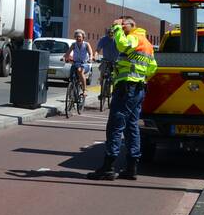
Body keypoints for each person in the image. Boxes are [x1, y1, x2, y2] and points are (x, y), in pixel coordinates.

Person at [87, 15, 158, 181]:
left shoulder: (134, 37)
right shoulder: (146, 42)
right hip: (138, 88)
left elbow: (122, 45)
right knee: (132, 127)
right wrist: (141, 77)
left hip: (127, 88)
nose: (118, 28)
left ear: (131, 25)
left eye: (122, 25)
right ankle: (132, 167)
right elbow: (153, 67)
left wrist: (118, 29)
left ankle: (108, 167)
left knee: (115, 125)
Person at [66, 29, 94, 100]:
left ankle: (84, 90)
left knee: (79, 70)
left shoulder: (86, 44)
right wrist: (65, 58)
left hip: (85, 64)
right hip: (76, 63)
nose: (78, 38)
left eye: (79, 37)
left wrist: (90, 58)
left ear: (83, 37)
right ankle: (72, 89)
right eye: (77, 37)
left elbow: (91, 53)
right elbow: (68, 53)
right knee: (71, 74)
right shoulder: (73, 45)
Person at [95, 26, 120, 107]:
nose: (110, 34)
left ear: (114, 33)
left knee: (117, 78)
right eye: (109, 33)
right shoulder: (103, 39)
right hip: (106, 60)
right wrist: (95, 56)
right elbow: (98, 50)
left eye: (112, 33)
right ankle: (102, 92)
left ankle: (115, 93)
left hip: (115, 61)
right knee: (102, 72)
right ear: (107, 33)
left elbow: (122, 50)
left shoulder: (117, 40)